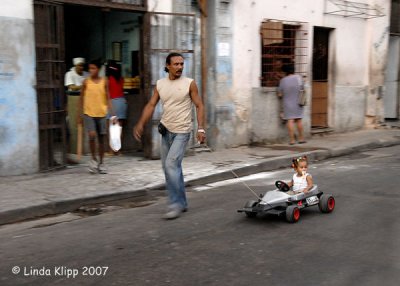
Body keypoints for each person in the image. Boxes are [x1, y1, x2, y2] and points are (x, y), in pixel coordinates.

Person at [133, 53, 206, 220]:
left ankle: (175, 204)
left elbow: (199, 105)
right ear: (167, 66)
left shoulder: (189, 84)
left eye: (181, 64)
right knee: (170, 168)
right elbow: (151, 105)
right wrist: (141, 123)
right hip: (166, 131)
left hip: (182, 131)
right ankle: (182, 202)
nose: (180, 67)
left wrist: (201, 129)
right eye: (176, 64)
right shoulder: (160, 84)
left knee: (171, 165)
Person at [78, 59, 115, 174]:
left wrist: (113, 113)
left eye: (93, 68)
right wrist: (79, 114)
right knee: (92, 135)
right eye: (89, 68)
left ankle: (102, 162)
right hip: (89, 113)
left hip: (102, 113)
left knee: (102, 138)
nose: (91, 71)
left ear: (98, 69)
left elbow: (108, 97)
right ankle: (93, 159)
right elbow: (81, 98)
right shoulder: (86, 82)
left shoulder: (105, 81)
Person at [277, 64, 306, 145]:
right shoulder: (299, 78)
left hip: (287, 103)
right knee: (299, 120)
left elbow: (279, 94)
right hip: (298, 102)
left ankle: (292, 140)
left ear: (285, 71)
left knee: (290, 120)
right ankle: (301, 139)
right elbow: (303, 89)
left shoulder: (283, 80)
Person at [106, 60, 127, 153]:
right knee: (119, 128)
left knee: (111, 128)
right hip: (122, 102)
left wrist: (111, 109)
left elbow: (107, 95)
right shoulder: (121, 79)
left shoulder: (108, 79)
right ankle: (119, 150)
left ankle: (111, 150)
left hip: (113, 103)